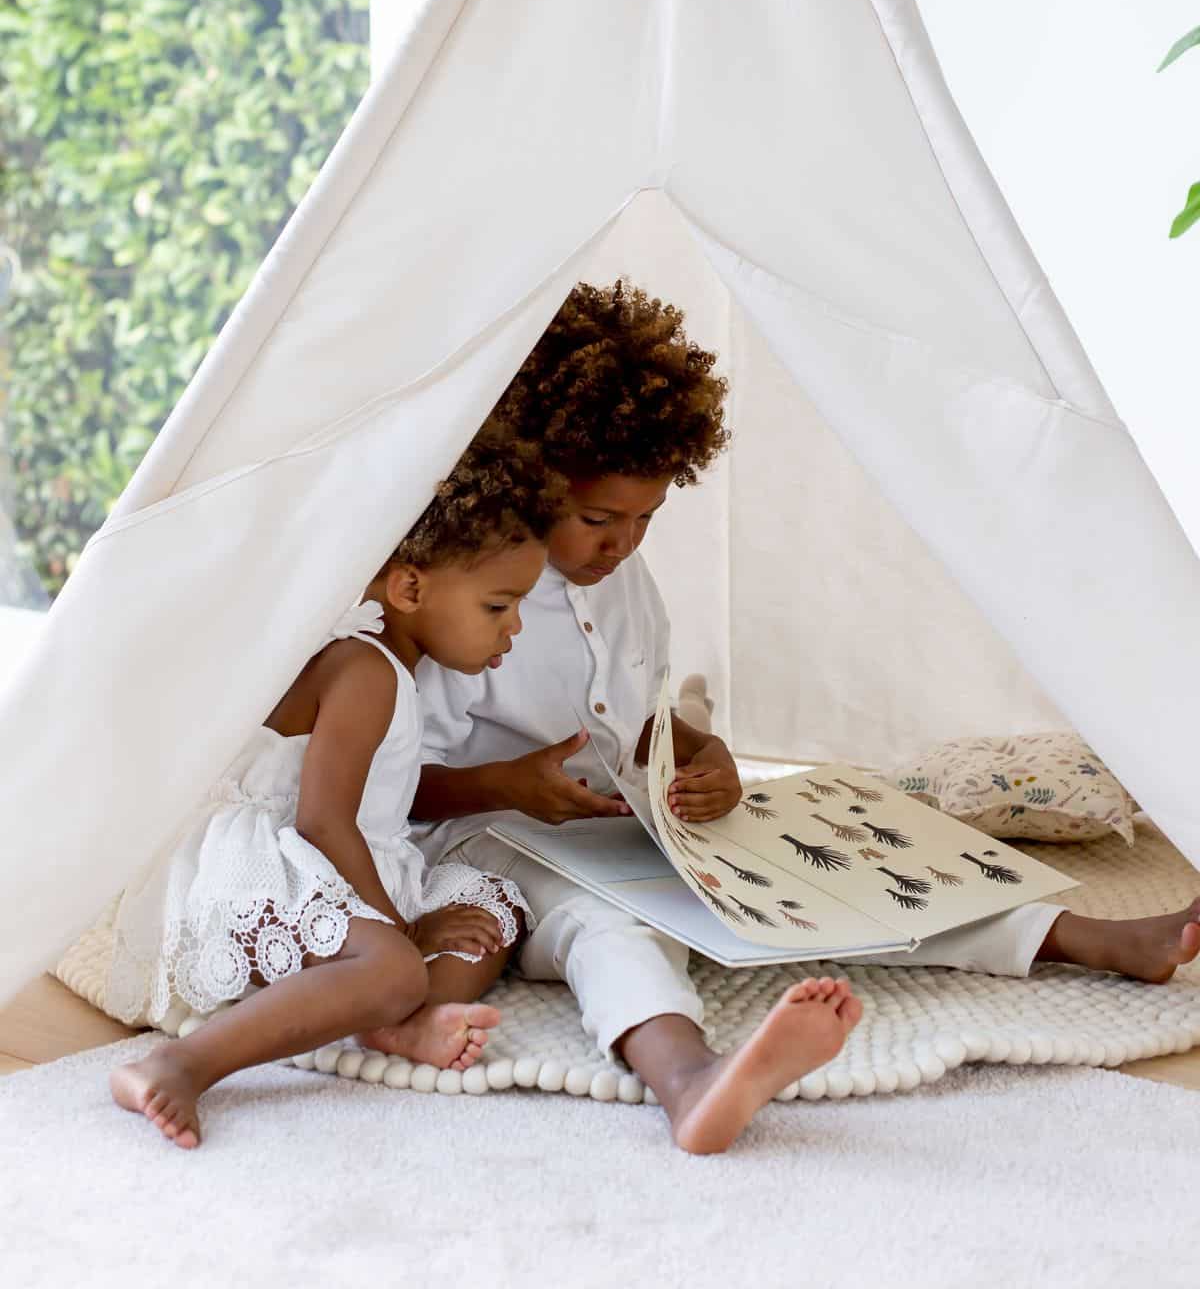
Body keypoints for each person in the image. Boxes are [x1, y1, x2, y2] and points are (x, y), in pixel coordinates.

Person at [413, 280, 1200, 1155]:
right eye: (599, 519)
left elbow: (642, 728)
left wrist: (707, 755)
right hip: (497, 841)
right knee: (612, 926)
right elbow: (393, 780)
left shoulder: (625, 589)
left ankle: (1086, 937)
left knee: (835, 860)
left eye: (647, 518)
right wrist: (507, 785)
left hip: (628, 821)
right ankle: (688, 1077)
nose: (622, 544)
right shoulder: (470, 596)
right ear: (535, 474)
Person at [108, 423, 562, 1149]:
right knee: (395, 968)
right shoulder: (363, 672)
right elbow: (322, 823)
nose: (512, 629)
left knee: (491, 908)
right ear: (410, 586)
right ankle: (181, 1063)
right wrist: (405, 936)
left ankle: (390, 1022)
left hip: (351, 866)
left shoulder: (392, 666)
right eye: (496, 606)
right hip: (274, 871)